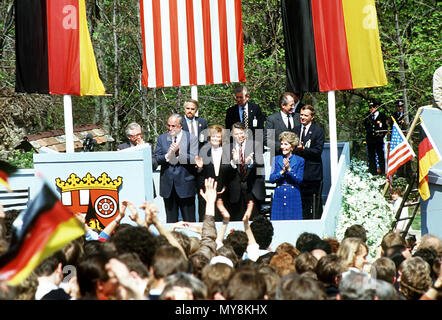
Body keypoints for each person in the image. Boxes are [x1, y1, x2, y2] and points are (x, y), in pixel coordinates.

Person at [153, 114, 199, 222]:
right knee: (171, 221)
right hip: (168, 186)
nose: (170, 128)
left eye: (173, 126)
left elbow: (194, 158)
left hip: (186, 185)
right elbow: (156, 159)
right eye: (168, 125)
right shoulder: (162, 138)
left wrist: (179, 153)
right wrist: (167, 156)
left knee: (189, 220)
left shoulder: (191, 138)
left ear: (180, 126)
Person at [224, 122, 266, 221]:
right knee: (237, 222)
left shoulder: (256, 145)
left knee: (255, 222)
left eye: (241, 133)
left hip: (253, 190)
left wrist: (251, 162)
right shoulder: (227, 148)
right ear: (232, 135)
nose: (239, 136)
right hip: (235, 192)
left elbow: (261, 164)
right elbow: (224, 170)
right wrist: (233, 162)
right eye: (236, 134)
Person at [294, 105, 325, 220]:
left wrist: (304, 150)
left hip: (313, 174)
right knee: (302, 204)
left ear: (312, 117)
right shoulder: (295, 130)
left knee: (315, 202)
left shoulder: (318, 131)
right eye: (301, 115)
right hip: (299, 173)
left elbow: (318, 151)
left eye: (305, 115)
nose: (302, 117)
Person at [195, 124, 231, 222]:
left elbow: (232, 173)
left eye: (218, 136)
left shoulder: (228, 152)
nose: (215, 138)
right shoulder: (203, 151)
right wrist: (200, 168)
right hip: (207, 193)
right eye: (213, 136)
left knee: (222, 220)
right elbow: (199, 174)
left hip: (223, 192)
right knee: (207, 220)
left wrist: (225, 187)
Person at [269, 131, 304, 220]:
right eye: (282, 144)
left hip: (293, 194)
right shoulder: (276, 159)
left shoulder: (300, 160)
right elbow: (272, 178)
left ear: (292, 146)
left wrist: (289, 170)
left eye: (286, 144)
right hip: (279, 194)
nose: (283, 147)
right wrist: (282, 171)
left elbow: (299, 180)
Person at [264, 92, 300, 156]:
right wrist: (282, 146)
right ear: (283, 105)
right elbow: (266, 139)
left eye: (294, 105)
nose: (293, 107)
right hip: (278, 156)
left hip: (296, 157)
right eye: (291, 105)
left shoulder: (298, 117)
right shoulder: (272, 119)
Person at [363, 101, 388, 175]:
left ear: (376, 108)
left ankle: (383, 172)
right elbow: (366, 127)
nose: (371, 109)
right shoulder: (367, 116)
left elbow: (385, 128)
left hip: (378, 140)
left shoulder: (382, 116)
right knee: (371, 157)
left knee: (380, 156)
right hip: (370, 140)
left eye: (373, 107)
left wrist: (381, 136)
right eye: (370, 107)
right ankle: (373, 172)